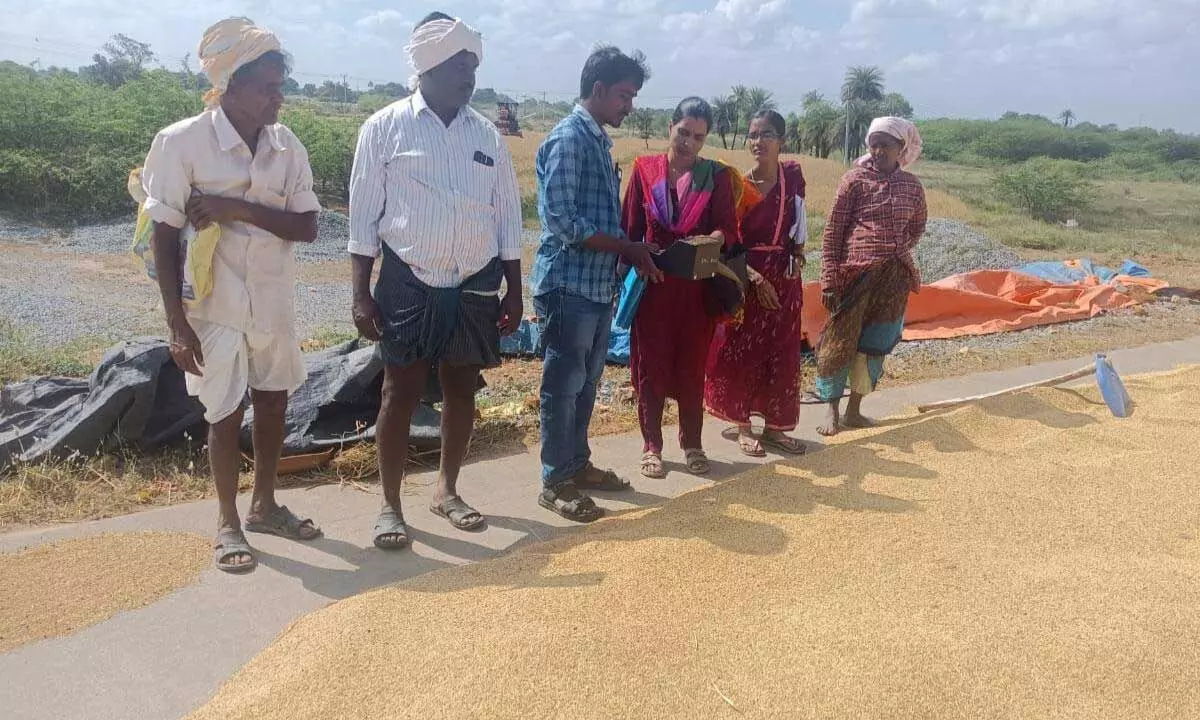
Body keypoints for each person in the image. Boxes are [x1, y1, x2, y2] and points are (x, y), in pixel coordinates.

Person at [141, 17, 323, 573]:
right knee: (224, 411)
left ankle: (264, 504)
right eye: (268, 87)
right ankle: (227, 521)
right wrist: (176, 323)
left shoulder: (286, 147)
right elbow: (163, 236)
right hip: (213, 305)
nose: (278, 97)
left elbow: (307, 226)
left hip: (271, 299)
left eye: (280, 86)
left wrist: (237, 208)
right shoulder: (181, 143)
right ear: (230, 86)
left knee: (273, 399)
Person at [347, 12, 523, 547]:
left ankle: (446, 490)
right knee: (398, 391)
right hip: (408, 279)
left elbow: (507, 216)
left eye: (472, 65)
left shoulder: (487, 135)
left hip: (474, 281)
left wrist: (515, 290)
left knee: (461, 388)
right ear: (426, 65)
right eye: (457, 65)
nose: (469, 76)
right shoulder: (384, 128)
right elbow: (363, 220)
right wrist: (360, 294)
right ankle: (390, 504)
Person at [531, 45, 657, 523]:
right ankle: (554, 481)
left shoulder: (597, 142)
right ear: (599, 90)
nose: (630, 105)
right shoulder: (569, 140)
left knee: (585, 384)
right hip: (569, 286)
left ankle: (576, 464)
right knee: (562, 387)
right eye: (625, 95)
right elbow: (564, 221)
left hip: (596, 286)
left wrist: (628, 252)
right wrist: (626, 248)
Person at [621, 97, 741, 479]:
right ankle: (651, 445)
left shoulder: (716, 176)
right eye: (684, 132)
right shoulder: (644, 171)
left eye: (698, 137)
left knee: (692, 368)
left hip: (696, 291)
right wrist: (636, 260)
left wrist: (711, 239)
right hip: (653, 288)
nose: (689, 142)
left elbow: (728, 228)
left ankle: (692, 443)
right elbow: (629, 230)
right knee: (650, 368)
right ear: (669, 127)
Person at [705, 109, 809, 457]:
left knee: (783, 352)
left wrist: (797, 259)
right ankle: (743, 425)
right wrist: (755, 278)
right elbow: (729, 244)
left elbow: (799, 227)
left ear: (782, 141)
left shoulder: (792, 178)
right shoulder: (738, 187)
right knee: (742, 350)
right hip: (747, 278)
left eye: (766, 135)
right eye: (752, 135)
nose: (758, 141)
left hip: (785, 281)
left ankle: (776, 428)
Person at [816, 116, 927, 436]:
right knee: (840, 341)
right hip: (854, 275)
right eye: (873, 145)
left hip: (894, 278)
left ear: (900, 147)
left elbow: (918, 225)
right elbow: (833, 232)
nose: (878, 151)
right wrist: (829, 279)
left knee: (875, 343)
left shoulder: (912, 186)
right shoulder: (854, 180)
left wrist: (896, 247)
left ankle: (854, 410)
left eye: (885, 145)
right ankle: (831, 410)